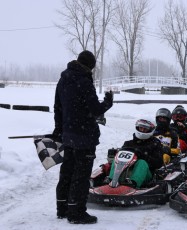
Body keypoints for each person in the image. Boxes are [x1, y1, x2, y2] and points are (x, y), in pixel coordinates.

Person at [53, 50, 113, 224]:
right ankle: (76, 212)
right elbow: (95, 110)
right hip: (84, 136)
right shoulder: (84, 81)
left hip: (68, 134)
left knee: (67, 171)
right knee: (81, 175)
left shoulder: (63, 80)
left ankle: (62, 207)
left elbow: (58, 108)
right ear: (90, 66)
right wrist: (108, 102)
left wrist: (59, 130)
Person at [108, 119, 164, 188]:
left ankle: (134, 184)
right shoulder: (128, 143)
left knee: (141, 162)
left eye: (145, 129)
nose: (142, 130)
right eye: (141, 128)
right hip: (125, 171)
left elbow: (159, 163)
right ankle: (111, 180)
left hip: (145, 174)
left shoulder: (155, 144)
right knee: (117, 159)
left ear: (151, 130)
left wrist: (144, 156)